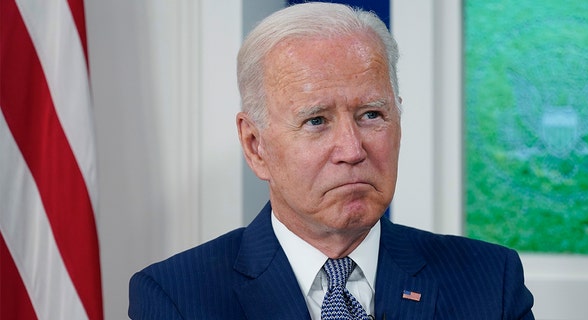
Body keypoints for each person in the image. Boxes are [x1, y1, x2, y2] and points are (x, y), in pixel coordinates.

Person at [128, 2, 534, 319]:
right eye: (316, 121)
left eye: (371, 115)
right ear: (255, 146)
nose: (352, 150)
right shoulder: (177, 298)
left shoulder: (490, 281)